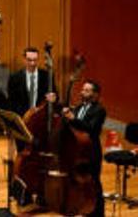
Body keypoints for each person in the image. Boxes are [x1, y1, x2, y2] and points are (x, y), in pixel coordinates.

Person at [53, 79, 106, 217]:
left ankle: (98, 214)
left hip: (92, 151)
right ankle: (83, 209)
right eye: (83, 89)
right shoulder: (78, 107)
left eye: (87, 90)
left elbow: (91, 129)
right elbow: (72, 127)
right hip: (79, 151)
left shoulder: (99, 110)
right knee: (78, 183)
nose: (83, 92)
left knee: (94, 184)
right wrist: (64, 115)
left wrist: (73, 118)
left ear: (95, 94)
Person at [6, 46, 51, 115]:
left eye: (35, 60)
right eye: (29, 60)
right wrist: (27, 114)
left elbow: (55, 96)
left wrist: (53, 97)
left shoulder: (46, 76)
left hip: (41, 117)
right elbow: (11, 102)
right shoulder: (14, 78)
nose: (32, 63)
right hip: (22, 117)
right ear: (24, 60)